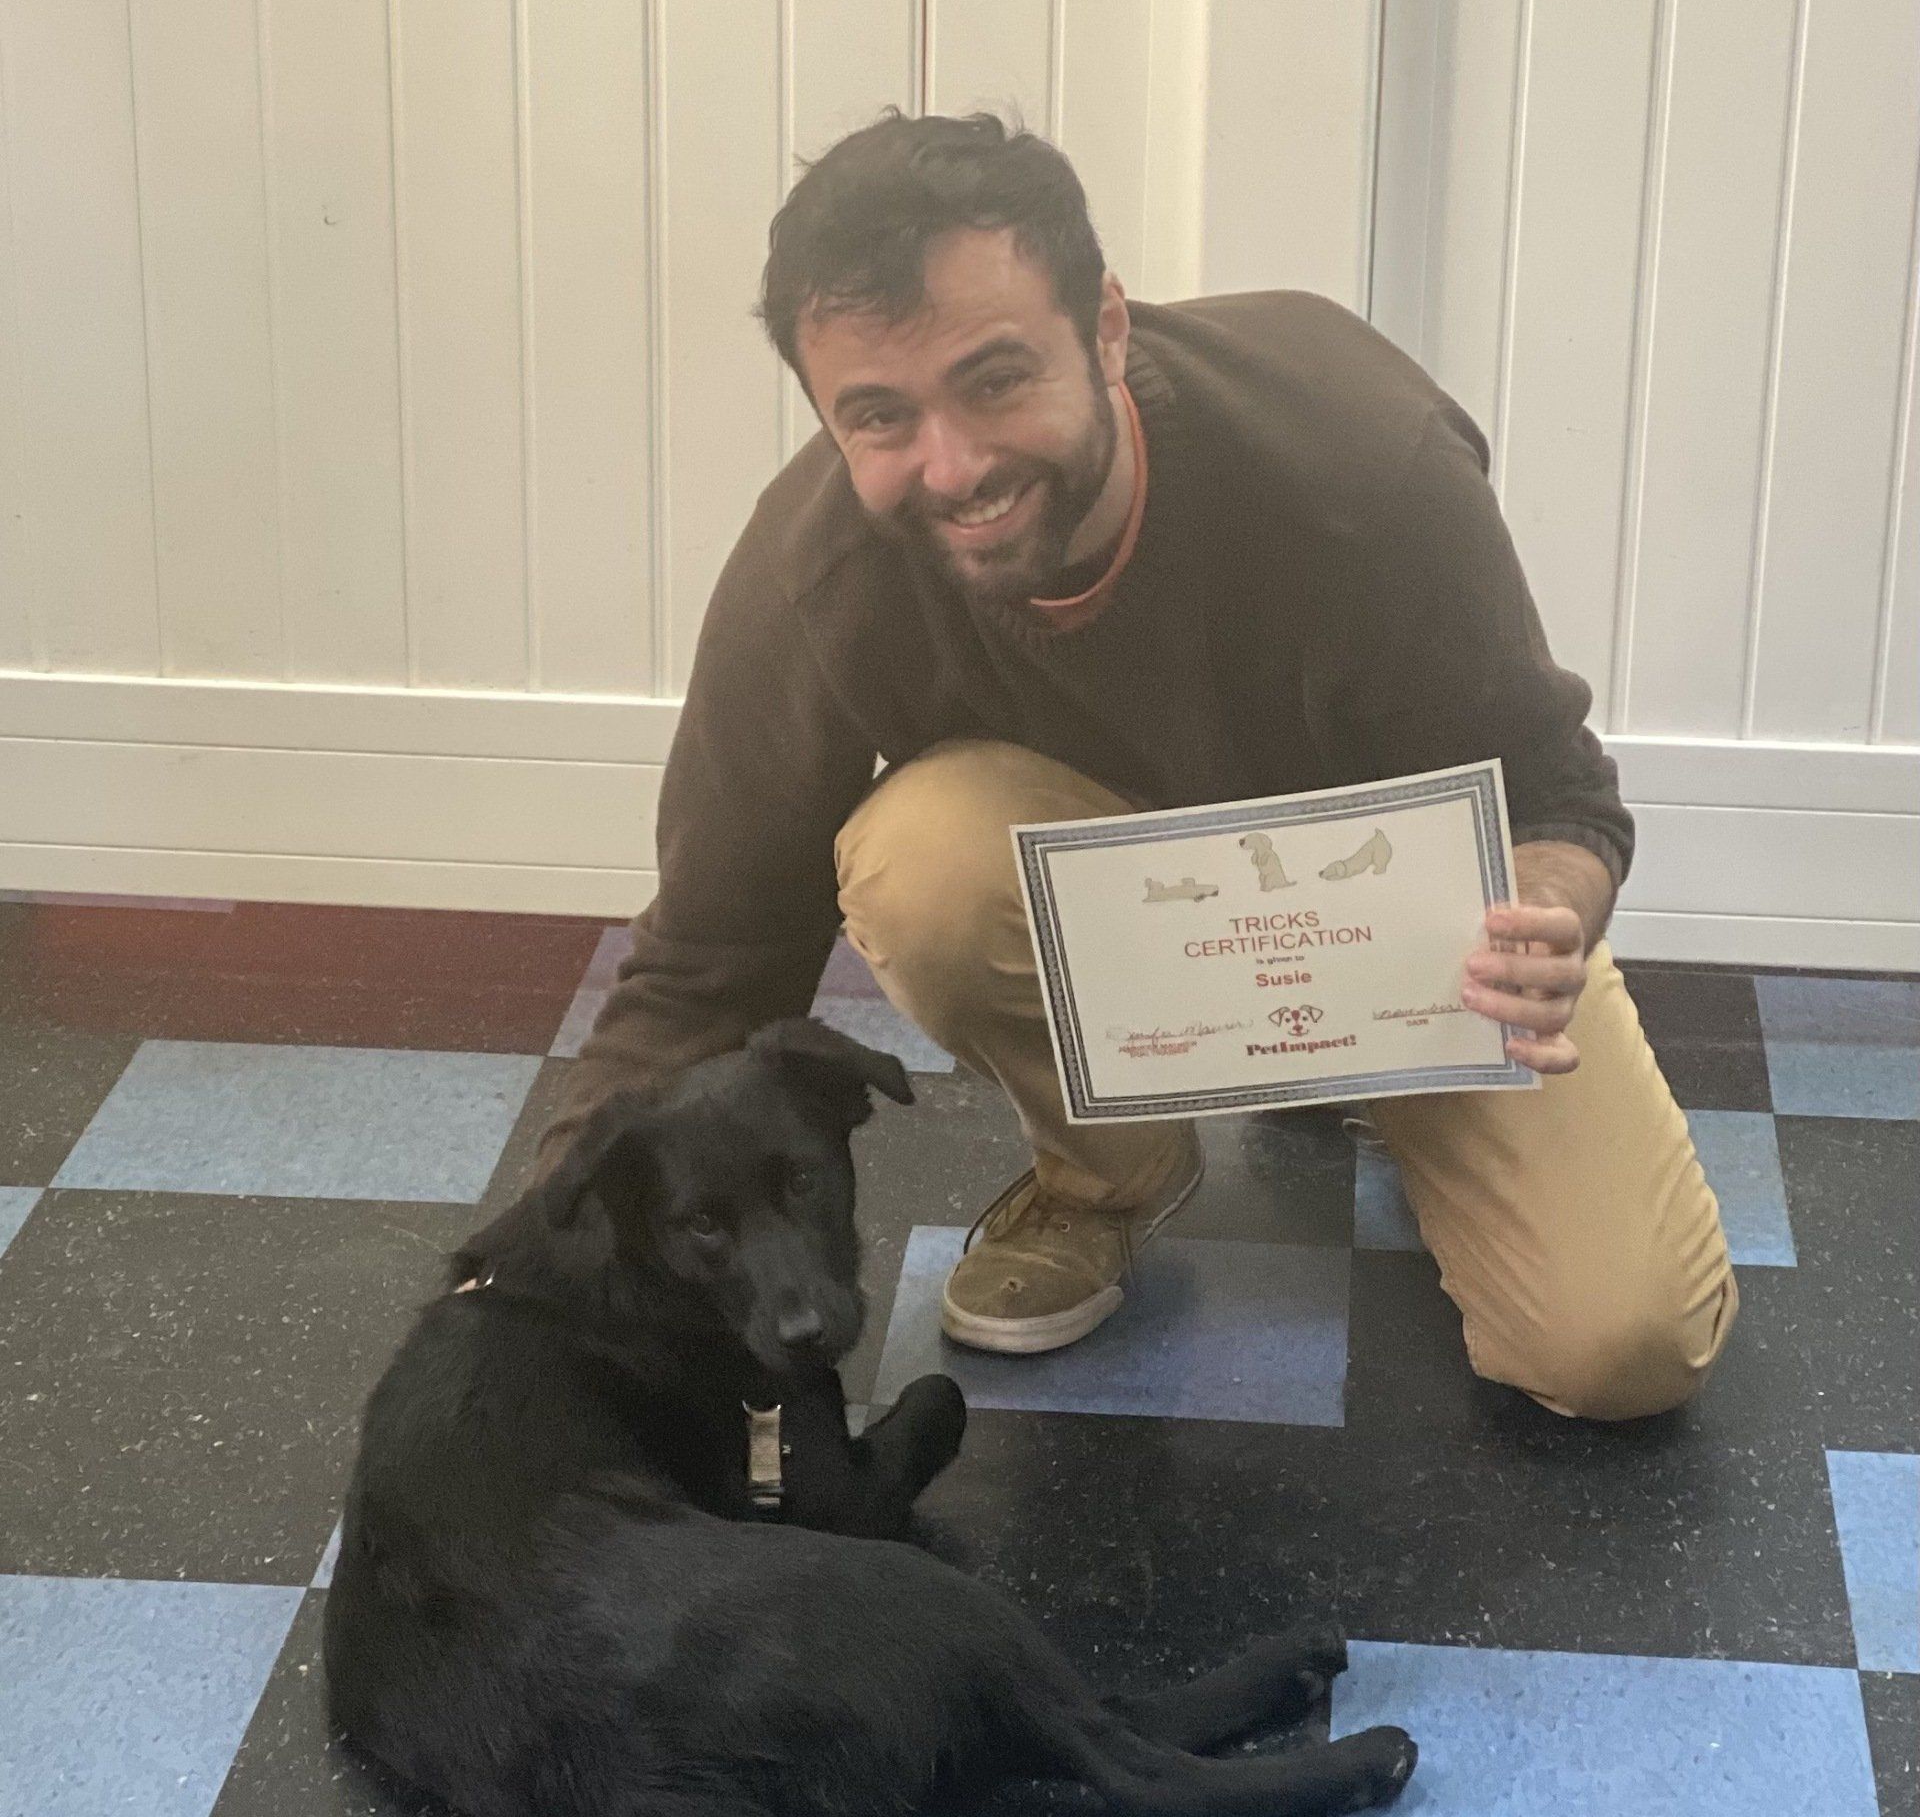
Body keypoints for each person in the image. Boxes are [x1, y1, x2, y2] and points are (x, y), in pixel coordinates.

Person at [544, 112, 1736, 1422]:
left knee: (1620, 1350)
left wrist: (1547, 914)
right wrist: (518, 1291)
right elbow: (709, 960)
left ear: (1108, 327)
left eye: (995, 379)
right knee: (917, 856)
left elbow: (1561, 799)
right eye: (879, 415)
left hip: (1412, 946)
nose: (952, 465)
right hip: (1128, 938)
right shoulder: (820, 578)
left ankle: (1369, 1084)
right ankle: (1103, 1176)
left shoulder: (1364, 471)